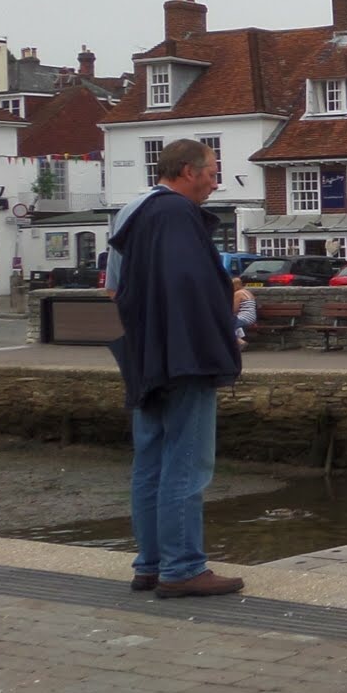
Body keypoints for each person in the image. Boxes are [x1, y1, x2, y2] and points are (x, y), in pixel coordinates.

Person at [108, 139, 244, 598]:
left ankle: (150, 564)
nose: (215, 180)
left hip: (145, 356)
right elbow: (194, 287)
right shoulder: (178, 216)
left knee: (150, 461)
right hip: (184, 358)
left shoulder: (134, 213)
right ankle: (183, 567)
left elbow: (115, 289)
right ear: (188, 171)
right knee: (187, 461)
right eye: (211, 171)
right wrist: (223, 338)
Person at [232, 276, 258, 349]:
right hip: (251, 318)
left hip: (244, 318)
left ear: (235, 285)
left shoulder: (238, 293)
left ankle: (241, 342)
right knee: (231, 323)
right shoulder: (248, 292)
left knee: (224, 325)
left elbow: (234, 310)